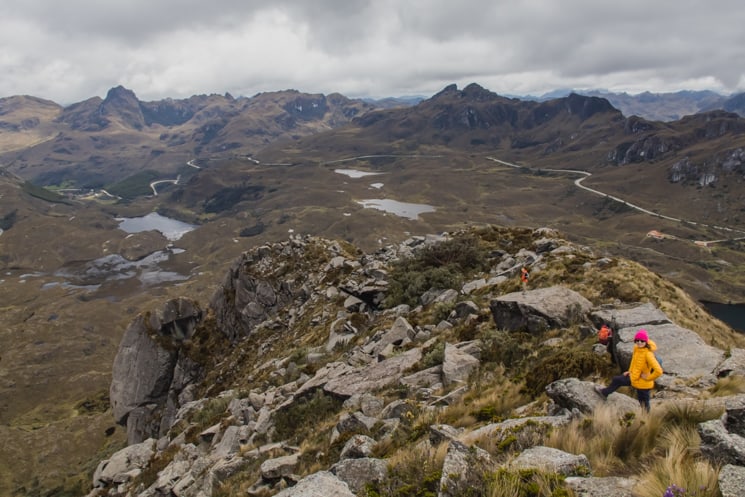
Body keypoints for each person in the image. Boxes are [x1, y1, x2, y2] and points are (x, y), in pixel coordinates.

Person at [595, 329, 662, 411]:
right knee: (617, 380)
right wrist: (629, 371)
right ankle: (604, 393)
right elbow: (634, 362)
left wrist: (648, 378)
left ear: (646, 342)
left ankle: (646, 419)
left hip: (643, 384)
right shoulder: (637, 348)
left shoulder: (648, 354)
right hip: (633, 377)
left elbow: (659, 371)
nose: (639, 342)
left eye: (642, 341)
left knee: (644, 404)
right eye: (637, 340)